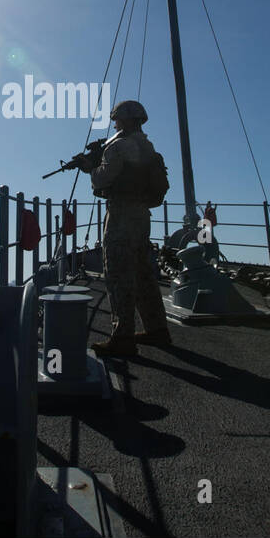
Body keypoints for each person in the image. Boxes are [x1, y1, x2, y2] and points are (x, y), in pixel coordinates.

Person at [77, 99, 170, 356]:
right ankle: (157, 330)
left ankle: (123, 338)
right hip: (142, 215)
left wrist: (89, 168)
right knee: (142, 273)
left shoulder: (117, 146)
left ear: (125, 120)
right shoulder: (147, 145)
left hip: (120, 215)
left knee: (117, 273)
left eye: (117, 119)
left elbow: (103, 178)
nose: (115, 123)